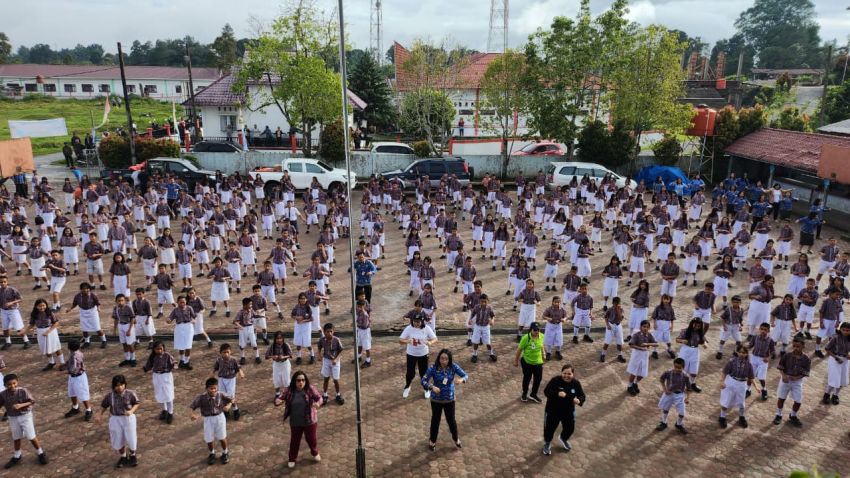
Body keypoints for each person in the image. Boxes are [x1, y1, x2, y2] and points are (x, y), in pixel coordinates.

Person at [421, 348, 468, 451]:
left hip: (449, 400)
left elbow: (465, 375)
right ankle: (432, 441)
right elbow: (423, 380)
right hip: (436, 400)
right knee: (435, 421)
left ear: (449, 359)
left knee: (451, 421)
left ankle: (456, 439)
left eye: (446, 359)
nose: (443, 361)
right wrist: (431, 387)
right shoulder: (433, 368)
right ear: (439, 358)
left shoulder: (453, 367)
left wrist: (461, 380)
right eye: (442, 358)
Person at [275, 370, 323, 469]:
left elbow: (319, 398)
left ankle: (314, 452)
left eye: (303, 380)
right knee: (295, 441)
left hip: (310, 420)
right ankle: (292, 458)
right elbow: (280, 398)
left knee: (311, 439)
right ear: (294, 381)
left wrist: (318, 403)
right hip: (295, 421)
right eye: (298, 380)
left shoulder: (310, 389)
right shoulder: (289, 390)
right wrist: (278, 401)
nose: (301, 382)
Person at [0, 374, 49, 468]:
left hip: (25, 416)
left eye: (14, 383)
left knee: (31, 436)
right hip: (13, 417)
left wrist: (21, 405)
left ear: (17, 382)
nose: (12, 386)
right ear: (5, 385)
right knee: (16, 437)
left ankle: (40, 453)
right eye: (9, 384)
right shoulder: (2, 395)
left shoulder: (23, 391)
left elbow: (32, 401)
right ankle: (17, 455)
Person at [97, 375, 140, 468]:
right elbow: (104, 405)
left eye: (121, 385)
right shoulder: (110, 396)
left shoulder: (130, 393)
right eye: (117, 385)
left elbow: (137, 403)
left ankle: (133, 455)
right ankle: (123, 456)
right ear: (113, 386)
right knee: (117, 438)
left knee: (131, 438)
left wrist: (131, 411)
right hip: (115, 419)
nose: (120, 387)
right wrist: (99, 415)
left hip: (128, 418)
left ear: (125, 384)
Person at [542, 364, 585, 455]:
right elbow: (546, 391)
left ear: (573, 374)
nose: (566, 376)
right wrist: (557, 393)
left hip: (568, 411)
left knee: (570, 428)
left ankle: (563, 438)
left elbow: (582, 395)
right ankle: (547, 443)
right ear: (561, 373)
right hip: (553, 410)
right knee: (549, 429)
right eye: (564, 373)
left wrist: (579, 400)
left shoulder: (576, 383)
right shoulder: (555, 380)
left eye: (569, 374)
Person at [190, 377, 233, 465]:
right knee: (209, 438)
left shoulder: (221, 394)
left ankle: (225, 452)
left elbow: (232, 399)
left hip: (219, 418)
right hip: (208, 419)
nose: (213, 390)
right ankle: (212, 453)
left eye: (215, 388)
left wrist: (229, 406)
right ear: (206, 388)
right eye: (211, 388)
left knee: (222, 437)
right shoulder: (201, 398)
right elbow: (192, 406)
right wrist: (192, 415)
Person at [773, 336, 810, 427]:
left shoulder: (806, 359)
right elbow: (781, 367)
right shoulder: (787, 355)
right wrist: (783, 376)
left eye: (798, 346)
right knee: (781, 398)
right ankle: (778, 414)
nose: (796, 348)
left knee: (798, 400)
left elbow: (805, 372)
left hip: (797, 382)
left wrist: (797, 377)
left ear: (803, 346)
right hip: (785, 380)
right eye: (794, 346)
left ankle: (793, 415)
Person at [400, 313, 438, 398]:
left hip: (423, 354)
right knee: (410, 373)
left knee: (424, 373)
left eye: (418, 322)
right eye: (415, 321)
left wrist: (430, 342)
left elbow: (435, 338)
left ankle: (426, 388)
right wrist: (407, 341)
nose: (416, 323)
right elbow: (400, 340)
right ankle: (407, 386)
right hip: (411, 354)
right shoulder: (409, 328)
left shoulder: (426, 328)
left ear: (422, 321)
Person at [718, 345, 755, 429]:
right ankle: (722, 417)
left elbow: (751, 377)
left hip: (742, 384)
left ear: (746, 354)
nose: (742, 354)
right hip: (731, 382)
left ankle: (741, 417)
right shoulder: (732, 361)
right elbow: (724, 372)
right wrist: (721, 381)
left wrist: (755, 387)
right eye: (740, 352)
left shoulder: (749, 365)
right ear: (737, 352)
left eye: (744, 352)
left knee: (741, 402)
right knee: (726, 401)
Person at [22, 299, 63, 370]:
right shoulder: (34, 314)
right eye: (40, 306)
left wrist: (48, 331)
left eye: (43, 305)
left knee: (56, 348)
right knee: (45, 348)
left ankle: (62, 363)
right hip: (40, 331)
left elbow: (56, 323)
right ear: (36, 306)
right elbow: (32, 324)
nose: (42, 307)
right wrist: (25, 331)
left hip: (51, 331)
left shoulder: (49, 313)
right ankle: (51, 362)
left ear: (46, 305)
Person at [142, 341, 176, 424]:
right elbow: (148, 365)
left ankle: (170, 413)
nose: (159, 350)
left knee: (168, 394)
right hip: (157, 376)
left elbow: (174, 363)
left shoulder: (167, 355)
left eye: (161, 348)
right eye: (157, 349)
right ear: (154, 349)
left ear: (163, 348)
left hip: (166, 376)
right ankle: (164, 410)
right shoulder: (152, 357)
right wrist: (144, 369)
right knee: (160, 394)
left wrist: (174, 366)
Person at [656, 358, 690, 434]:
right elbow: (661, 379)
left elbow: (688, 388)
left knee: (682, 412)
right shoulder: (668, 372)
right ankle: (663, 422)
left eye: (679, 368)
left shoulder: (685, 376)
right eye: (675, 367)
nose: (677, 369)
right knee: (665, 409)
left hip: (680, 395)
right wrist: (665, 389)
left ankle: (679, 424)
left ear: (683, 367)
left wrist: (687, 398)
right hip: (669, 394)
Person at [213, 343, 245, 420]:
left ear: (230, 352)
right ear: (220, 353)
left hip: (231, 379)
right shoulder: (219, 360)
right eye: (224, 352)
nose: (226, 354)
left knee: (230, 396)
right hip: (221, 379)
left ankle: (235, 410)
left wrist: (241, 372)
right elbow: (216, 367)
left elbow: (238, 367)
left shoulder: (233, 360)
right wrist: (212, 374)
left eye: (227, 352)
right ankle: (225, 411)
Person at [515, 322, 545, 403]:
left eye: (538, 330)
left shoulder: (542, 336)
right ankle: (524, 393)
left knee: (538, 379)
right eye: (535, 330)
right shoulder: (526, 338)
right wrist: (516, 361)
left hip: (538, 362)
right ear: (531, 329)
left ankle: (533, 394)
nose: (537, 331)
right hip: (527, 362)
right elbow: (519, 350)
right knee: (527, 378)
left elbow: (541, 345)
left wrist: (543, 353)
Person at [63, 339, 92, 421]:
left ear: (69, 347)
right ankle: (75, 408)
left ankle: (89, 410)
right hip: (73, 377)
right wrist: (65, 365)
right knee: (72, 392)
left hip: (79, 377)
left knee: (83, 394)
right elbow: (70, 362)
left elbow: (73, 369)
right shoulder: (76, 353)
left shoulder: (74, 356)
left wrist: (61, 373)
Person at [822, 321, 850, 406]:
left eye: (848, 330)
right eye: (843, 330)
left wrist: (848, 355)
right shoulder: (835, 338)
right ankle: (827, 394)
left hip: (845, 360)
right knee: (834, 379)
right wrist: (836, 357)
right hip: (834, 359)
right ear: (840, 329)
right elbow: (827, 349)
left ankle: (835, 395)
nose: (845, 332)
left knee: (841, 379)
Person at [317, 323, 345, 405]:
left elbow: (341, 350)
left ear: (333, 331)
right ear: (324, 332)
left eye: (331, 331)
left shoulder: (336, 340)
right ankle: (325, 395)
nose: (329, 333)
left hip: (335, 361)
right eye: (327, 332)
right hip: (326, 360)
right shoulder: (322, 340)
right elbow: (319, 347)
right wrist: (319, 354)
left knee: (335, 379)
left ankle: (338, 394)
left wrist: (336, 359)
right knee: (326, 378)